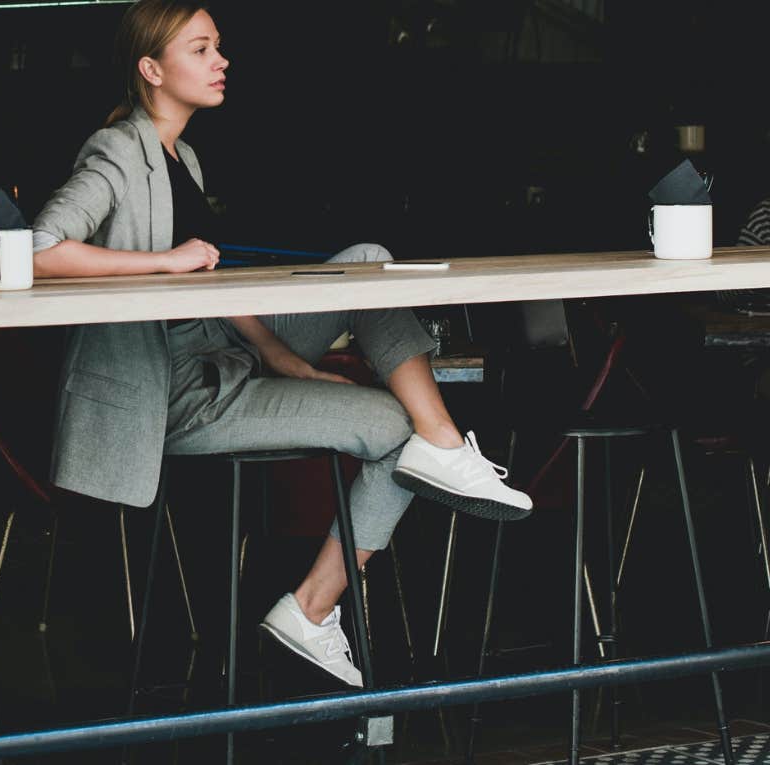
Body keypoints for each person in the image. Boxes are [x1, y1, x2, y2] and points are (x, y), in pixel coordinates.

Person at [31, 0, 532, 688]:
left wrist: (280, 354)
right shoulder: (118, 150)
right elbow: (39, 249)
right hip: (171, 392)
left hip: (220, 352)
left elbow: (208, 286)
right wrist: (165, 262)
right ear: (151, 68)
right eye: (202, 49)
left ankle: (444, 442)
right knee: (394, 429)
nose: (221, 61)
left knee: (367, 260)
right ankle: (314, 606)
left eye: (218, 47)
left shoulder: (185, 156)